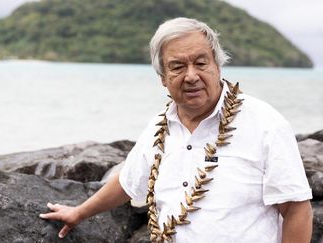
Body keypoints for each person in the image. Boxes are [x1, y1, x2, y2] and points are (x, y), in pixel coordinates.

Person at [39, 17, 313, 242]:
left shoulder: (265, 124)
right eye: (177, 66)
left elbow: (297, 210)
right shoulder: (159, 126)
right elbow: (128, 181)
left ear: (217, 66)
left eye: (201, 62)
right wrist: (79, 213)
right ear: (163, 78)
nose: (191, 75)